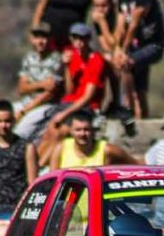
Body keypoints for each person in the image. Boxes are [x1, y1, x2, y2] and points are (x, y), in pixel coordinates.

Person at [36, 23, 108, 165]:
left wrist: (64, 114)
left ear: (89, 39)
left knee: (61, 132)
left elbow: (88, 97)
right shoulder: (72, 55)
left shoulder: (96, 60)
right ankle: (34, 165)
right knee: (49, 131)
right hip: (70, 103)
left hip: (86, 106)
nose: (79, 42)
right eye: (75, 38)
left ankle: (41, 166)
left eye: (83, 38)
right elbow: (69, 91)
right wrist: (67, 67)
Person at [116, 0, 164, 120]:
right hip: (137, 48)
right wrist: (117, 48)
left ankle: (128, 108)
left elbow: (134, 25)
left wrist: (123, 51)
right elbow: (120, 26)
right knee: (140, 87)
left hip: (153, 45)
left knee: (126, 65)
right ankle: (142, 115)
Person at [0, 101, 38, 220]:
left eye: (7, 121)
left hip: (17, 209)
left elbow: (33, 183)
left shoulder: (27, 147)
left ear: (14, 120)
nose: (3, 126)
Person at [13, 23, 64, 143]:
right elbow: (21, 88)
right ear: (31, 39)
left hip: (44, 106)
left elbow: (49, 93)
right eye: (37, 37)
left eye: (44, 37)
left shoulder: (57, 59)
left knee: (19, 132)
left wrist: (24, 111)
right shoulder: (29, 58)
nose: (40, 42)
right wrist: (42, 84)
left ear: (50, 39)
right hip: (25, 101)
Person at [51, 109, 138, 169]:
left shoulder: (106, 149)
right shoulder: (61, 148)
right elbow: (52, 179)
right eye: (78, 130)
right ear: (70, 131)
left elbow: (135, 165)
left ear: (93, 130)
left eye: (86, 129)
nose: (82, 134)